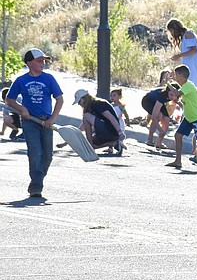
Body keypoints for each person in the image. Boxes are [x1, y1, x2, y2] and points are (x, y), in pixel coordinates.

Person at [5, 49, 64, 199]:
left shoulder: (49, 79)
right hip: (29, 122)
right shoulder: (21, 80)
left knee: (48, 156)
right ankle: (36, 187)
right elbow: (9, 99)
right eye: (39, 61)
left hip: (46, 122)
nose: (42, 64)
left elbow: (59, 99)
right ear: (30, 63)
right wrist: (22, 109)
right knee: (35, 153)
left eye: (44, 61)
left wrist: (52, 119)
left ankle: (37, 179)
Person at [169, 65, 197, 170]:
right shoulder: (185, 86)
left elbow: (177, 93)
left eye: (176, 75)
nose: (175, 77)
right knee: (178, 135)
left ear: (181, 76)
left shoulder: (188, 85)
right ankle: (178, 161)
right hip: (189, 118)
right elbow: (185, 101)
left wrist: (167, 83)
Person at [75, 89, 125, 155]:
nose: (79, 104)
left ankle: (90, 148)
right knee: (89, 144)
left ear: (83, 99)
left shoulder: (97, 103)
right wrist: (67, 141)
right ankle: (115, 143)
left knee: (86, 116)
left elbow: (110, 117)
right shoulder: (90, 107)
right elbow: (83, 127)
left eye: (79, 102)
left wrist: (120, 132)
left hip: (111, 131)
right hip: (109, 134)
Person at [166, 18, 197, 92]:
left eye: (171, 30)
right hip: (188, 66)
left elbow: (194, 50)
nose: (171, 33)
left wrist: (179, 55)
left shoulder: (188, 34)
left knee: (191, 87)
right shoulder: (183, 38)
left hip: (194, 66)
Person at [143, 72, 177, 148]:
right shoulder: (162, 95)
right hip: (148, 101)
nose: (173, 98)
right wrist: (159, 129)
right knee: (158, 116)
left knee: (166, 120)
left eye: (175, 95)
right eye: (171, 95)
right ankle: (150, 139)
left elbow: (177, 101)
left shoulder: (173, 95)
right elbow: (154, 116)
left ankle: (158, 142)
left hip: (158, 102)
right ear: (168, 92)